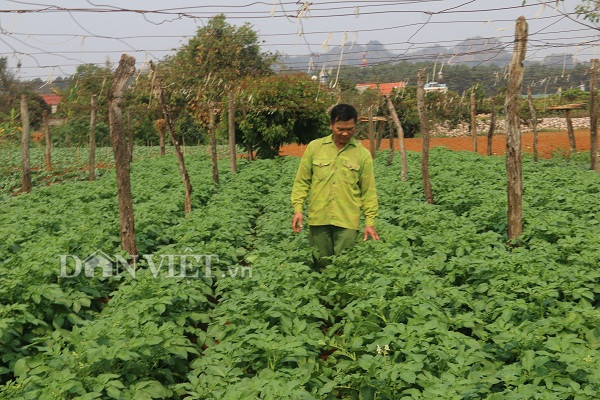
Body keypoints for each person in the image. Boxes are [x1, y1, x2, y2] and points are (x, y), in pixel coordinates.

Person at [290, 103, 379, 268]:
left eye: (350, 129)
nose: (345, 133)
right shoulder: (315, 148)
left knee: (345, 266)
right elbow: (302, 181)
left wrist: (369, 222)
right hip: (319, 219)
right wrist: (298, 209)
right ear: (331, 125)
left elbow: (368, 191)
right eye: (340, 129)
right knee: (321, 265)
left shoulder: (362, 154)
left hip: (347, 221)